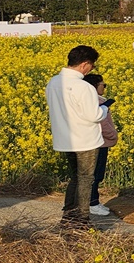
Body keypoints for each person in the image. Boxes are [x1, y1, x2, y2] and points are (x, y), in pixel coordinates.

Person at [45, 45, 110, 225]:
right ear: (84, 64)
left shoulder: (53, 82)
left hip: (64, 139)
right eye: (92, 66)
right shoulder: (83, 87)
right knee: (86, 179)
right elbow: (94, 115)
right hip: (85, 140)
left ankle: (68, 217)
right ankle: (81, 220)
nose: (91, 69)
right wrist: (103, 109)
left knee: (76, 177)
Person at [82, 73, 118, 217]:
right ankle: (92, 203)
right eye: (103, 84)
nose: (104, 87)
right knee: (96, 174)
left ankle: (92, 201)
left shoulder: (89, 101)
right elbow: (102, 123)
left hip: (93, 141)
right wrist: (113, 136)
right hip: (99, 142)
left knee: (93, 174)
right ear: (95, 86)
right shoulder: (97, 103)